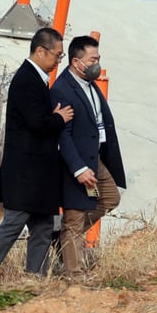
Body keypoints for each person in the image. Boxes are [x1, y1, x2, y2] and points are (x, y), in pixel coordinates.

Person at [0, 27, 73, 287]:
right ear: (40, 51)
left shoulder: (36, 79)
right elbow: (37, 123)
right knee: (13, 224)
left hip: (38, 174)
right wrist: (59, 118)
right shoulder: (27, 79)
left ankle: (34, 280)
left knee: (43, 227)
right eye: (57, 55)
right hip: (26, 172)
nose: (58, 61)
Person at [49, 35, 126, 281]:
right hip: (76, 164)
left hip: (95, 159)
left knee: (110, 198)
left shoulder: (89, 85)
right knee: (74, 217)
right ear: (76, 62)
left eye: (98, 59)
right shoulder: (62, 89)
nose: (96, 64)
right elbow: (63, 135)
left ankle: (64, 239)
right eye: (92, 59)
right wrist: (78, 168)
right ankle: (75, 276)